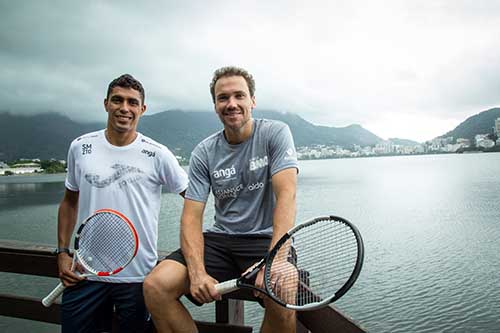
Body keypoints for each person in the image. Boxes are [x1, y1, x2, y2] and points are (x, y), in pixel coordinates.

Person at [144, 66, 299, 333]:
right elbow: (191, 216)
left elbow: (287, 195)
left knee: (283, 289)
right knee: (156, 286)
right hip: (221, 241)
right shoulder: (204, 151)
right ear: (215, 105)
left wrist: (275, 260)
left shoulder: (275, 133)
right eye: (223, 98)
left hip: (265, 240)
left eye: (239, 96)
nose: (232, 104)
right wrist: (197, 272)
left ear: (253, 100)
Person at [57, 74, 188, 332]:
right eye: (117, 100)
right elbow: (69, 201)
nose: (124, 108)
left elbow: (193, 201)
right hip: (84, 274)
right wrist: (62, 253)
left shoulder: (158, 154)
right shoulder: (80, 147)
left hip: (138, 278)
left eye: (132, 102)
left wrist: (190, 255)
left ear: (143, 109)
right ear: (106, 103)